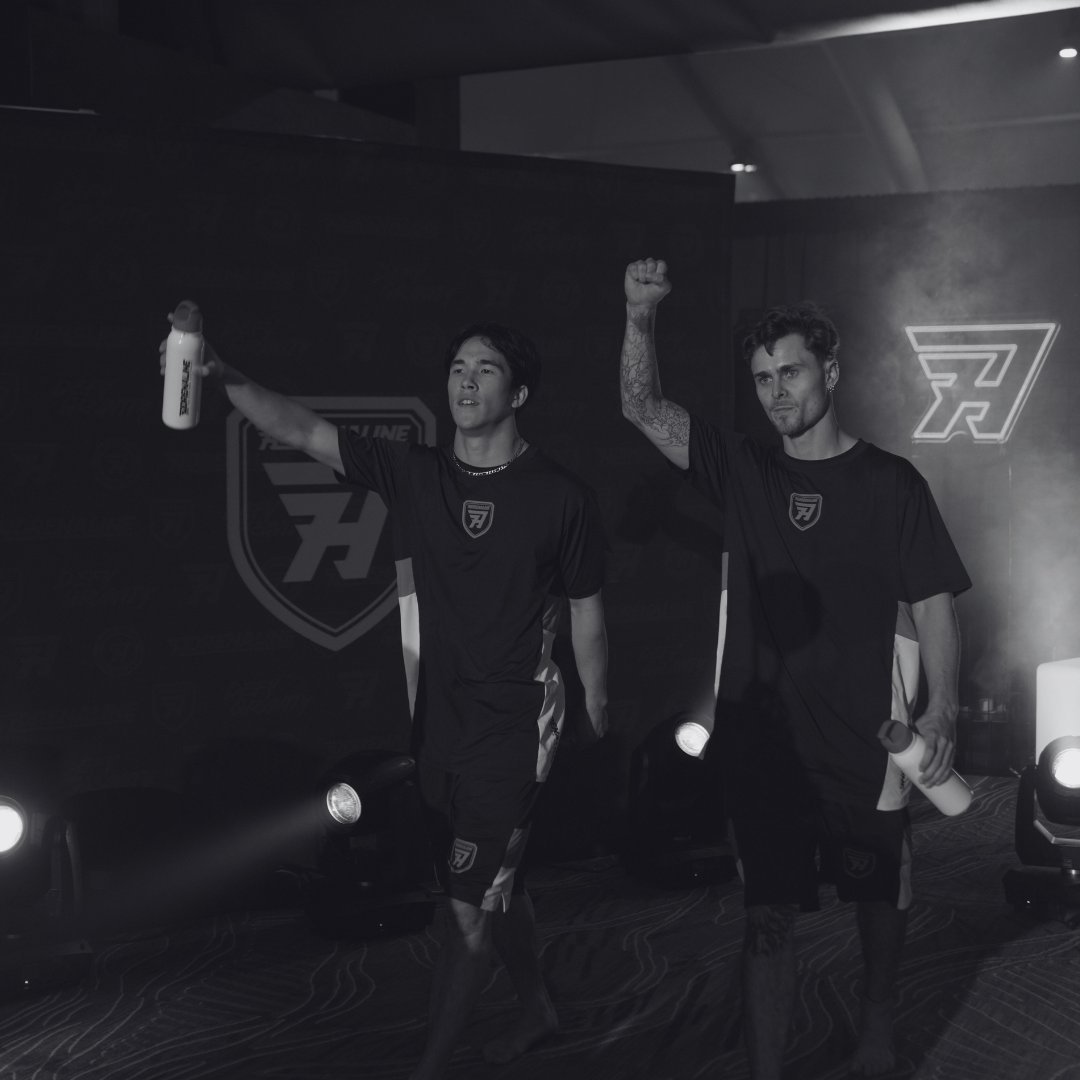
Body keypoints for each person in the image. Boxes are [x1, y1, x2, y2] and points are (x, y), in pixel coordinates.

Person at [161, 319, 609, 1080]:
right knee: (495, 887)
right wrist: (222, 372)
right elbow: (300, 429)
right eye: (458, 366)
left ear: (519, 393)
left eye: (486, 369)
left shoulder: (561, 495)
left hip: (513, 730)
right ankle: (537, 1007)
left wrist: (598, 714)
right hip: (439, 726)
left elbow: (588, 610)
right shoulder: (414, 471)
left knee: (465, 913)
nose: (466, 379)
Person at [617, 259, 971, 1079]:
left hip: (867, 740)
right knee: (766, 915)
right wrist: (639, 315)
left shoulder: (891, 483)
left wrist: (943, 707)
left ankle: (876, 1030)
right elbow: (641, 407)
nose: (776, 392)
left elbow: (935, 606)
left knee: (879, 893)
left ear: (831, 372)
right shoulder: (744, 468)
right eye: (762, 378)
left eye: (791, 372)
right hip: (763, 742)